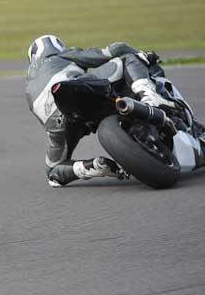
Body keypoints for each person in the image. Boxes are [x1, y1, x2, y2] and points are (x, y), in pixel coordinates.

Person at [25, 35, 176, 187]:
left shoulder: (29, 86)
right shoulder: (61, 55)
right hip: (74, 92)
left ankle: (90, 167)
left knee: (52, 172)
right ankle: (150, 97)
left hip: (57, 122)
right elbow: (112, 50)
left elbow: (43, 119)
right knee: (126, 58)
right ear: (55, 47)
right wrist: (142, 54)